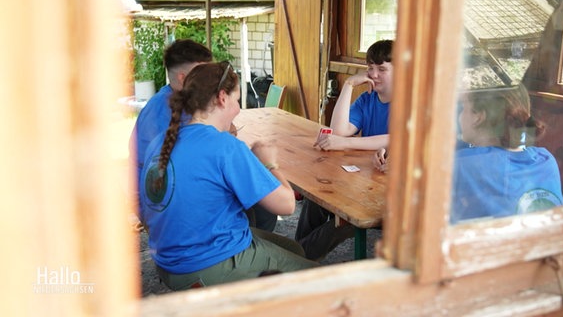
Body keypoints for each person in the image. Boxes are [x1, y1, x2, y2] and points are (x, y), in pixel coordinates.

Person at [139, 62, 318, 289]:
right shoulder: (224, 146)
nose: (238, 109)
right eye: (236, 100)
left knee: (295, 250)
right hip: (207, 264)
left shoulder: (161, 141)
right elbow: (287, 205)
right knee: (321, 280)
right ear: (222, 98)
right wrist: (269, 163)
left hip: (168, 261)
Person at [129, 39, 277, 232]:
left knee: (254, 198)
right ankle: (244, 252)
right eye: (202, 72)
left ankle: (249, 248)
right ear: (183, 78)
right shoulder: (163, 111)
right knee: (259, 201)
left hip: (168, 191)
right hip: (163, 203)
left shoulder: (179, 99)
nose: (210, 78)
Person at [296, 40, 394, 261]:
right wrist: (349, 85)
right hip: (366, 177)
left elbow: (395, 139)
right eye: (370, 68)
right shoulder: (367, 99)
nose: (374, 74)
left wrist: (345, 143)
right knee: (318, 195)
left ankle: (297, 258)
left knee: (345, 218)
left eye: (382, 69)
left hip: (390, 188)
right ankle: (297, 255)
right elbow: (339, 130)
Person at [450, 85, 563, 224]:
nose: (460, 117)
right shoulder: (546, 161)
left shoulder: (461, 166)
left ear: (478, 117)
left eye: (463, 108)